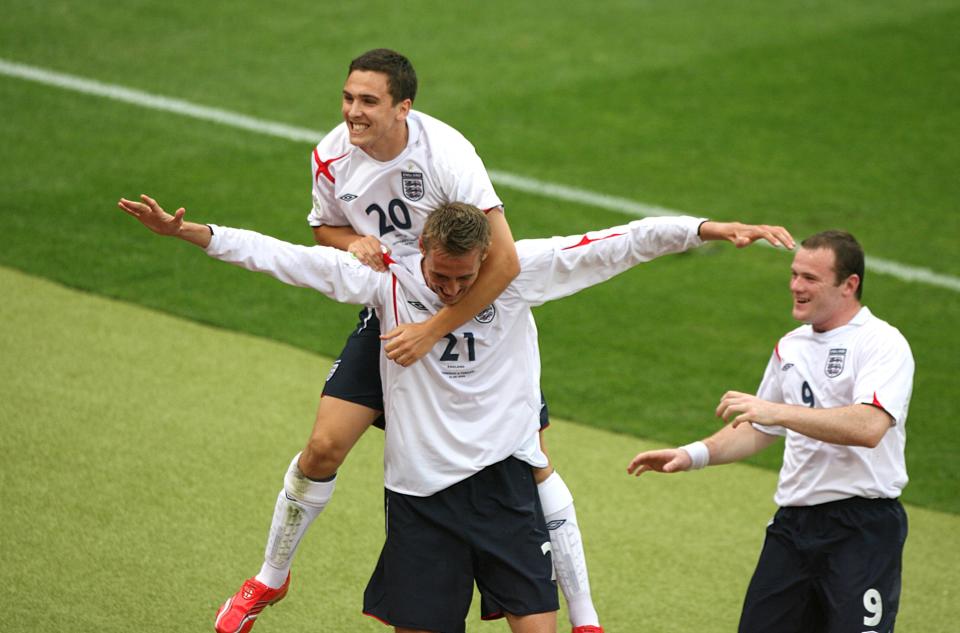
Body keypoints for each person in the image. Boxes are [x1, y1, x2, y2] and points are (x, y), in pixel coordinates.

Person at [117, 194, 793, 632]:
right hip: (420, 494)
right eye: (439, 276)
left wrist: (709, 228)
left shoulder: (520, 268)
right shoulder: (386, 278)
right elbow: (285, 259)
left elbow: (622, 241)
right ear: (425, 252)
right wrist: (195, 233)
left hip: (502, 482)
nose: (448, 290)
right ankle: (268, 576)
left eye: (464, 279)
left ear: (486, 260)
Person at [220, 48, 603, 633]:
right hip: (394, 308)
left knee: (532, 461)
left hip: (458, 314)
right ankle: (271, 577)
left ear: (404, 107)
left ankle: (584, 617)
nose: (352, 112)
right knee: (324, 447)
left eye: (367, 101)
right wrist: (351, 245)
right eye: (348, 98)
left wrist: (434, 329)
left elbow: (499, 259)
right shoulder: (329, 157)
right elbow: (321, 227)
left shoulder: (448, 153)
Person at [626, 230, 914, 633]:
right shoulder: (790, 347)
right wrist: (692, 454)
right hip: (794, 527)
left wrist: (778, 412)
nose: (796, 286)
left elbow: (868, 427)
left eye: (811, 278)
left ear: (850, 285)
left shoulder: (882, 343)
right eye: (795, 274)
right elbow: (758, 428)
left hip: (860, 528)